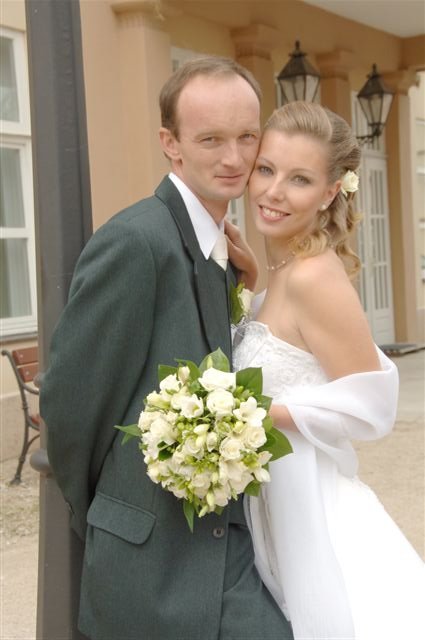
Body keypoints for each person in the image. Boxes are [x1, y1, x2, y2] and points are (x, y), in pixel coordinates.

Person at [41, 56, 294, 640]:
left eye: (246, 137)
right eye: (210, 139)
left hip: (228, 553)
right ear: (170, 144)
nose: (234, 158)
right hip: (152, 571)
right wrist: (115, 518)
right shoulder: (135, 242)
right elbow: (72, 408)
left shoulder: (222, 250)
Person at [233, 101, 425, 640]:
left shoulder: (314, 277)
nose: (273, 191)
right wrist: (247, 284)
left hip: (316, 513)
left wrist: (253, 415)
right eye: (266, 169)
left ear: (329, 192)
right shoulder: (279, 270)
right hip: (275, 507)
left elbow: (370, 406)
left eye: (299, 179)